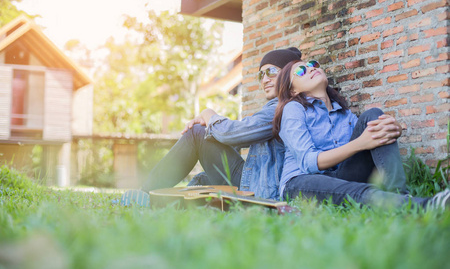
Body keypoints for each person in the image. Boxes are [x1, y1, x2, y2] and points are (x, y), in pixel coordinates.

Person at [120, 47, 303, 206]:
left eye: (271, 71)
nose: (264, 80)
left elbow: (234, 134)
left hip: (261, 188)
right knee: (201, 180)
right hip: (257, 178)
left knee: (197, 134)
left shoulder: (282, 108)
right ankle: (166, 202)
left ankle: (145, 193)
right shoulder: (281, 106)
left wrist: (208, 115)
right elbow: (240, 138)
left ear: (288, 74)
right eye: (261, 74)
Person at [272, 59, 450, 210]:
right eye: (301, 70)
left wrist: (394, 129)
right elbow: (308, 162)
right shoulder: (293, 108)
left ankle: (400, 196)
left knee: (374, 116)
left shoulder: (344, 114)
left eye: (313, 64)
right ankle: (427, 206)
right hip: (301, 182)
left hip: (340, 175)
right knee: (357, 192)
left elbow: (373, 138)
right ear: (293, 90)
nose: (311, 68)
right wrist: (361, 143)